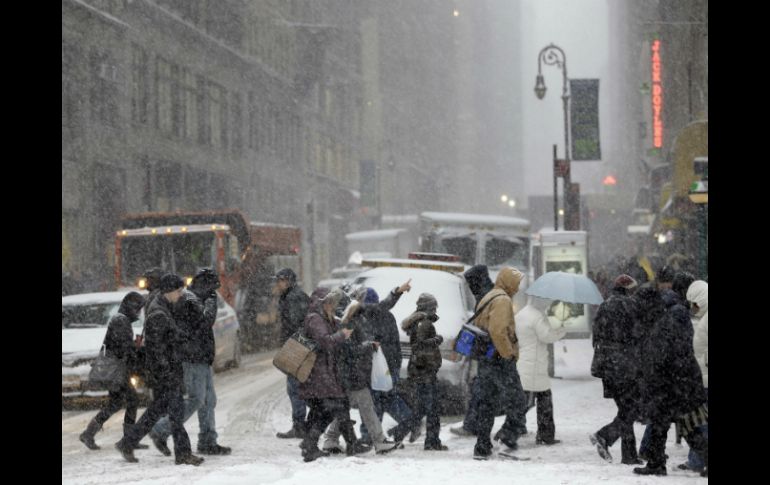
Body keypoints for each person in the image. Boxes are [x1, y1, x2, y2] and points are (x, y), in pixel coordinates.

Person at [115, 274, 204, 466]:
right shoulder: (158, 313)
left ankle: (127, 442)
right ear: (168, 291)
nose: (181, 294)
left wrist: (182, 338)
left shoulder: (162, 307)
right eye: (179, 291)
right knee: (176, 413)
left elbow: (168, 337)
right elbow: (157, 348)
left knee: (156, 410)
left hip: (164, 370)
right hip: (165, 372)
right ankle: (183, 454)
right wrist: (167, 373)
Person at [149, 268, 231, 456]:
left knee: (209, 400)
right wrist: (211, 304)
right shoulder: (189, 300)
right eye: (212, 288)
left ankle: (208, 440)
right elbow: (205, 321)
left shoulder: (194, 298)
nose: (214, 292)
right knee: (196, 399)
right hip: (192, 357)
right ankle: (160, 429)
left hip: (201, 357)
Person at [632, 284, 707, 476]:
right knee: (666, 424)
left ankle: (657, 463)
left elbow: (665, 355)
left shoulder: (664, 321)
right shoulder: (661, 318)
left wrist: (655, 377)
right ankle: (656, 463)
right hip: (675, 382)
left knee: (685, 425)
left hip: (675, 383)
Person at [321, 296, 400, 455]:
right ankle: (379, 441)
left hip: (350, 376)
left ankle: (330, 439)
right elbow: (349, 350)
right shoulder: (347, 325)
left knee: (343, 411)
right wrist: (368, 346)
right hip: (352, 376)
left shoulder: (349, 323)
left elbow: (350, 348)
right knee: (367, 408)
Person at [347, 282, 416, 445]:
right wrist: (395, 368)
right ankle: (410, 420)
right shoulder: (387, 316)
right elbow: (395, 345)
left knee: (372, 400)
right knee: (388, 398)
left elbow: (368, 343)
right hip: (389, 366)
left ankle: (368, 434)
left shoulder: (368, 316)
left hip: (375, 367)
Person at [471, 267, 527, 460]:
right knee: (519, 400)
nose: (518, 288)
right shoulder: (502, 300)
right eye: (516, 283)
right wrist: (508, 354)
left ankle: (482, 445)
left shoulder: (489, 296)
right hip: (499, 359)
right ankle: (507, 438)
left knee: (487, 402)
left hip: (486, 358)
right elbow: (497, 331)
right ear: (508, 281)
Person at [79, 292, 147, 450]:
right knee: (132, 400)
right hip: (117, 370)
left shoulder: (121, 320)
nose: (138, 312)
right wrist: (136, 348)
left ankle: (89, 433)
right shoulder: (120, 321)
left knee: (116, 403)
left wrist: (133, 346)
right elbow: (121, 347)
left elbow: (120, 344)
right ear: (131, 307)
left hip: (118, 369)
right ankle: (128, 439)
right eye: (137, 308)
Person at [298, 288, 358, 462]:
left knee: (322, 410)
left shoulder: (323, 317)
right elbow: (324, 341)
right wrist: (341, 335)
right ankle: (310, 445)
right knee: (330, 408)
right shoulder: (315, 319)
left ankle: (309, 445)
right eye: (331, 302)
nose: (334, 306)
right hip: (318, 372)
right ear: (323, 302)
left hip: (324, 372)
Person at [589, 274, 643, 465]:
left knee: (626, 409)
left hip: (607, 366)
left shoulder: (605, 305)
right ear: (628, 289)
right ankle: (604, 435)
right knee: (632, 409)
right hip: (625, 365)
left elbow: (595, 335)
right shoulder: (630, 306)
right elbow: (637, 335)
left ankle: (629, 455)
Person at [450, 265, 496, 438]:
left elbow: (487, 324)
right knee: (482, 389)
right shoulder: (488, 294)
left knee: (480, 390)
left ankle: (473, 427)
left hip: (488, 351)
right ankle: (512, 425)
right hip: (488, 351)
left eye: (471, 282)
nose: (470, 286)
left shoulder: (486, 297)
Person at [515, 296, 567, 445]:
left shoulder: (522, 313)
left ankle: (514, 430)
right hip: (535, 365)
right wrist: (560, 331)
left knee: (525, 401)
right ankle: (543, 435)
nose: (549, 304)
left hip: (525, 361)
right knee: (542, 401)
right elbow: (546, 336)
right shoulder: (537, 316)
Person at [401, 293, 448, 451]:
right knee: (433, 407)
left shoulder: (418, 321)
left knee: (422, 407)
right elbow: (419, 345)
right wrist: (437, 340)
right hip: (425, 371)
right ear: (428, 307)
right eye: (434, 306)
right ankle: (432, 441)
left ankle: (399, 432)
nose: (436, 309)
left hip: (420, 370)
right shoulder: (425, 323)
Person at [274, 268, 311, 439]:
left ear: (289, 281)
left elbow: (296, 324)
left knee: (295, 388)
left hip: (297, 348)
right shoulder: (292, 296)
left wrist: (292, 345)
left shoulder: (294, 297)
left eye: (280, 280)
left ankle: (300, 426)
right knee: (298, 388)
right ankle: (303, 424)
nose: (277, 284)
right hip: (297, 347)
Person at [683, 280, 708, 476]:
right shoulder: (704, 318)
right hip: (702, 378)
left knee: (700, 422)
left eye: (694, 303)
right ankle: (697, 459)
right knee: (699, 421)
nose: (693, 308)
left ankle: (699, 460)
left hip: (705, 379)